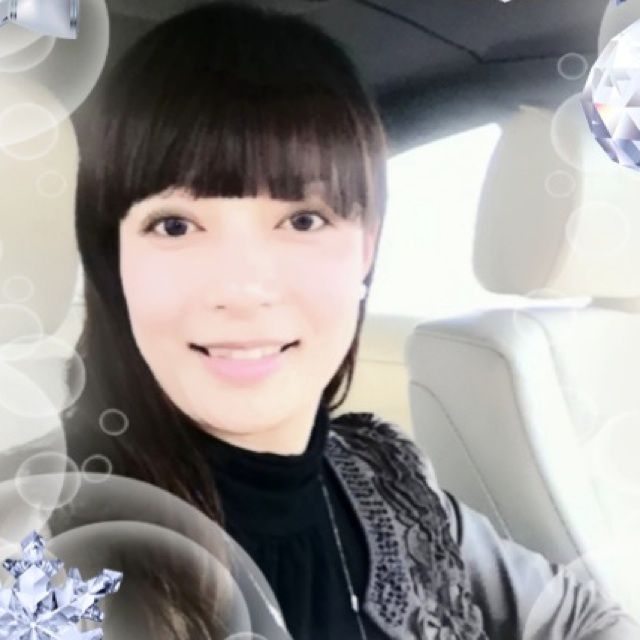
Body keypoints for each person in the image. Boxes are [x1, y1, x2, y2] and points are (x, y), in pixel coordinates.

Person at [25, 1, 640, 639]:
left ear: (365, 249)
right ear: (114, 261)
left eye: (303, 220)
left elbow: (582, 618)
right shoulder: (42, 543)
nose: (243, 290)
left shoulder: (390, 479)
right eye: (176, 225)